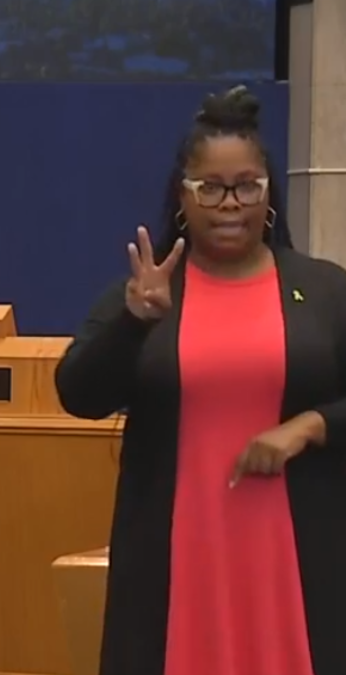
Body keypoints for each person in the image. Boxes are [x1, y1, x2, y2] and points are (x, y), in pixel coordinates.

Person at [54, 85, 346, 675]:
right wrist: (134, 323)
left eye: (246, 186)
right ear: (182, 197)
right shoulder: (148, 293)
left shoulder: (322, 290)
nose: (230, 203)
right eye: (210, 187)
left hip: (299, 556)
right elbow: (79, 394)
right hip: (177, 557)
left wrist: (309, 426)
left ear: (268, 193)